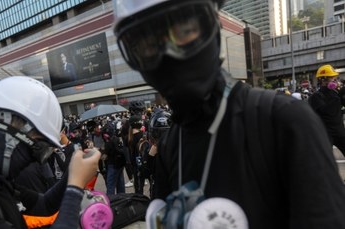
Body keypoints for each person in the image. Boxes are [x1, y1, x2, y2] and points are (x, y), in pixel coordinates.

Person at [112, 0, 345, 228]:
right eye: (148, 45)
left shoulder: (284, 121)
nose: (169, 54)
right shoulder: (170, 144)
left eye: (183, 30)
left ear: (212, 25)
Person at [0, 76, 101, 229]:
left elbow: (44, 205)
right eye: (39, 149)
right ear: (12, 135)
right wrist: (75, 187)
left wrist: (73, 174)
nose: (35, 160)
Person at [309, 64, 345, 157]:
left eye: (335, 77)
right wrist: (338, 97)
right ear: (323, 79)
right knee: (325, 162)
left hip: (340, 132)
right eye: (332, 77)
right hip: (325, 135)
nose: (335, 80)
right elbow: (327, 111)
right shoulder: (316, 97)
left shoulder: (336, 93)